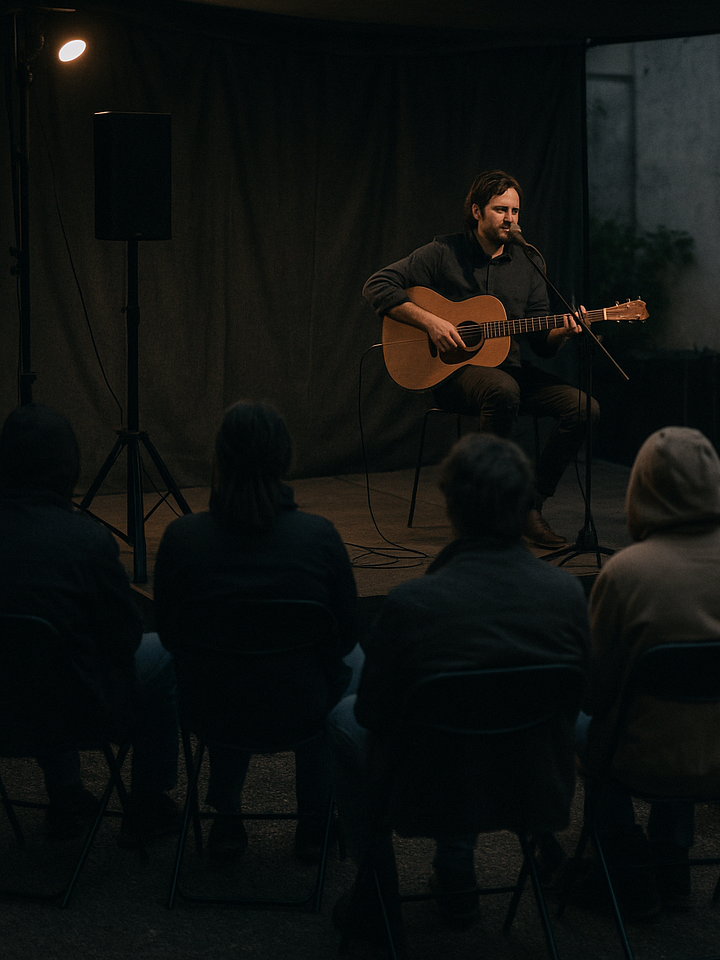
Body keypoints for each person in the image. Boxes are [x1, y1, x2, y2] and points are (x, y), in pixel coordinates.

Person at [327, 432, 590, 941]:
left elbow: (372, 715)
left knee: (342, 718)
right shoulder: (566, 593)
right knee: (481, 715)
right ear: (523, 504)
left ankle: (377, 894)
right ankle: (455, 872)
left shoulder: (412, 604)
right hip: (533, 785)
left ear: (451, 505)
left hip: (427, 789)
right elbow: (583, 696)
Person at [578, 426, 720, 920]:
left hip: (648, 759)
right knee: (689, 703)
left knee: (587, 722)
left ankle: (626, 863)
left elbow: (592, 693)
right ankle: (674, 861)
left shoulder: (627, 573)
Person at [153, 401, 360, 863]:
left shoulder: (182, 539)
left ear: (220, 459)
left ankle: (225, 817)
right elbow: (345, 638)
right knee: (342, 665)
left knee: (230, 664)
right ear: (283, 459)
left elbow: (168, 636)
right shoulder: (319, 537)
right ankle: (315, 822)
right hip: (303, 708)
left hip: (209, 708)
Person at [362, 168, 598, 550]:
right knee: (503, 392)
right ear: (476, 211)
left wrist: (565, 331)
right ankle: (483, 510)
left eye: (516, 211)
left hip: (511, 369)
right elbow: (377, 285)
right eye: (501, 209)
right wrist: (432, 322)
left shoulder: (529, 263)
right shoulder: (443, 253)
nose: (510, 219)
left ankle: (526, 506)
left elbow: (541, 342)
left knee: (584, 408)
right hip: (453, 375)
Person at [0, 404, 179, 841]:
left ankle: (66, 790)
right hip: (78, 710)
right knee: (164, 656)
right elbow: (125, 636)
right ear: (69, 467)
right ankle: (147, 802)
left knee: (35, 656)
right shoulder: (88, 542)